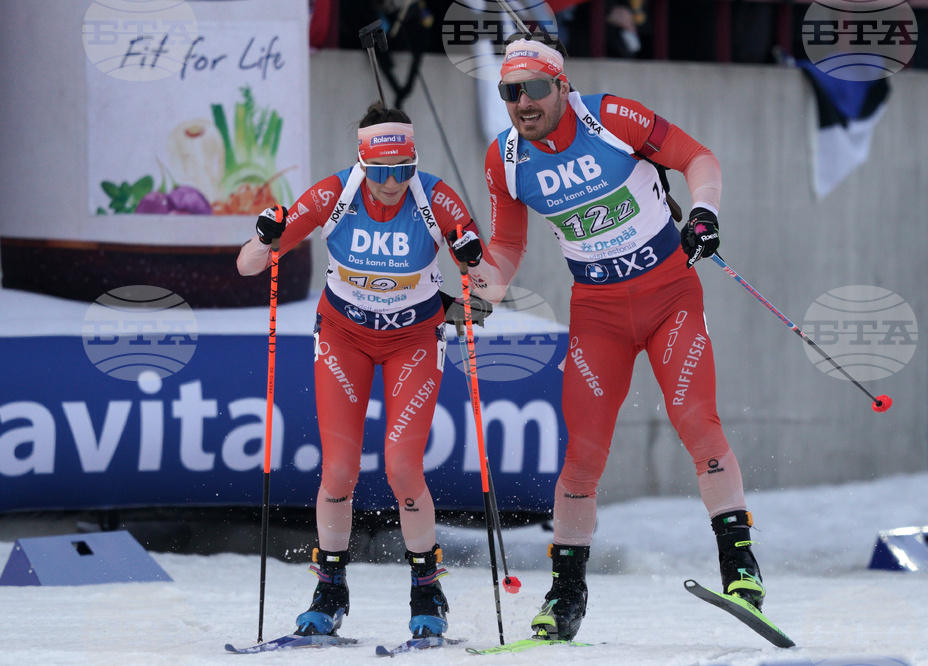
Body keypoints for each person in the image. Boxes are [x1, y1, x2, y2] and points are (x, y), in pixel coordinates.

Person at [464, 36, 765, 641]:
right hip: (597, 310)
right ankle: (566, 596)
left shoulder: (610, 118)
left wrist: (703, 214)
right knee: (582, 455)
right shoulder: (507, 160)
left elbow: (697, 158)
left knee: (697, 422)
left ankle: (740, 568)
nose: (522, 102)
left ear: (561, 84)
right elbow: (508, 247)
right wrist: (482, 290)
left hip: (669, 295)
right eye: (509, 92)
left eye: (534, 88)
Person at [236, 102, 490, 640]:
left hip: (412, 342)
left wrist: (471, 257)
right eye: (381, 172)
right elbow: (248, 265)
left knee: (402, 468)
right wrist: (264, 235)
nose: (393, 182)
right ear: (361, 163)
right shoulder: (333, 195)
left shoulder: (435, 197)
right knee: (339, 471)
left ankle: (427, 589)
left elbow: (488, 285)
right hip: (343, 337)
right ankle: (330, 589)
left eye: (404, 168)